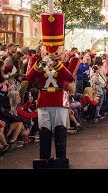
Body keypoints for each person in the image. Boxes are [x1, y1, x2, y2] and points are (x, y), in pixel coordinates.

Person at [25, 9, 77, 168]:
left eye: (55, 52)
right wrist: (40, 64)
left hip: (59, 99)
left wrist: (57, 64)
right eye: (48, 52)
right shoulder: (38, 62)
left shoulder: (65, 64)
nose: (51, 55)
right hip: (43, 99)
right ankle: (44, 157)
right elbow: (29, 77)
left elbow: (69, 77)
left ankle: (61, 157)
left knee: (60, 127)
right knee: (44, 128)